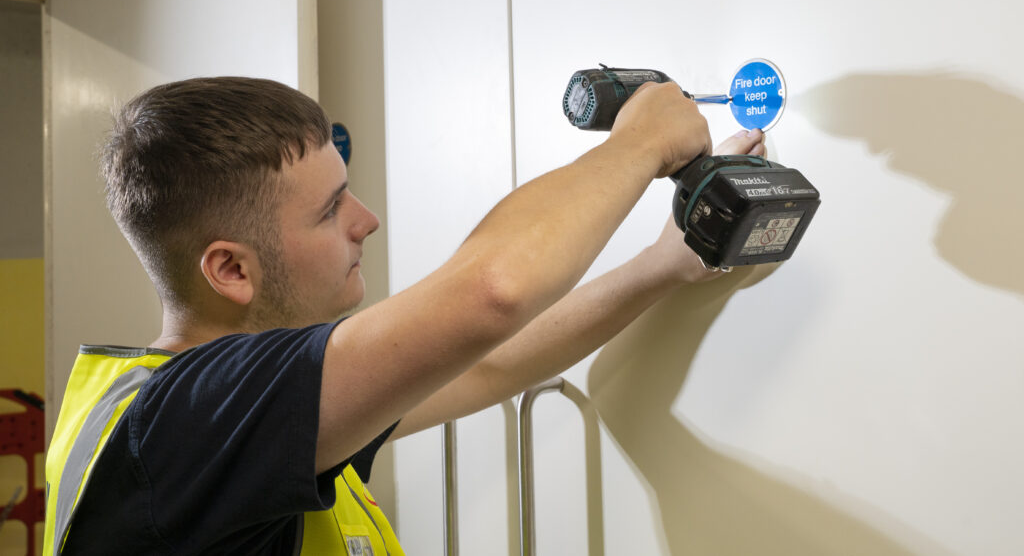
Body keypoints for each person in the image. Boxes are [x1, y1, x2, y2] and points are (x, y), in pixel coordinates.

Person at [43, 76, 765, 555]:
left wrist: (664, 263)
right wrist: (640, 143)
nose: (367, 220)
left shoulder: (241, 410)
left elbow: (490, 360)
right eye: (331, 210)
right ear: (231, 269)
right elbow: (494, 290)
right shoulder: (190, 421)